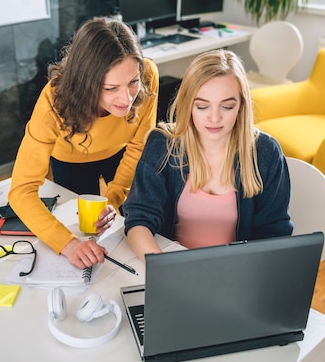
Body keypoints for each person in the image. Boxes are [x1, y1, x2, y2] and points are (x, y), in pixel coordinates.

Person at [9, 17, 159, 269]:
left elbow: (138, 147)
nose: (127, 99)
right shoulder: (53, 102)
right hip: (71, 160)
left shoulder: (147, 75)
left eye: (132, 83)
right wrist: (67, 244)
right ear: (85, 83)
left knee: (121, 225)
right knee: (82, 231)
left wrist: (113, 198)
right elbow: (21, 191)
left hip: (120, 153)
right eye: (111, 88)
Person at [123, 49, 292, 259]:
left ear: (241, 107)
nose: (214, 118)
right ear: (188, 105)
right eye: (202, 106)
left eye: (227, 106)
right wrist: (163, 269)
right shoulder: (162, 144)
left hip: (237, 272)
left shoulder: (265, 152)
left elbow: (274, 234)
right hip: (171, 265)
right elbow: (139, 219)